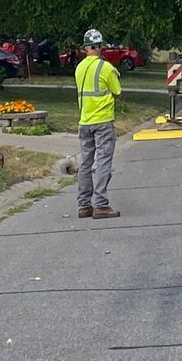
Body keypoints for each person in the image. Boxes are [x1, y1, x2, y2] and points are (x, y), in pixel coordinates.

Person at [74, 27, 122, 218]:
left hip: (84, 121)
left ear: (85, 48)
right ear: (100, 46)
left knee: (85, 163)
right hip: (102, 121)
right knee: (103, 162)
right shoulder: (106, 68)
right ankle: (100, 204)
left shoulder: (79, 68)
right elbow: (117, 93)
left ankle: (84, 205)